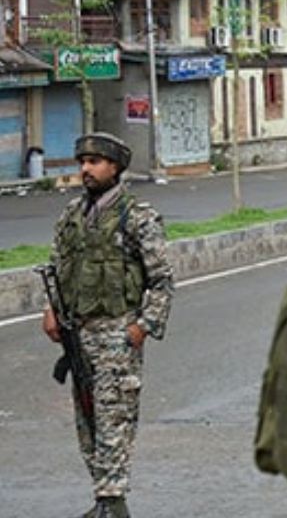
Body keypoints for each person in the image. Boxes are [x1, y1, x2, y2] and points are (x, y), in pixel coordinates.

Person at [42, 132, 174, 518]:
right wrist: (50, 311)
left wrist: (142, 327)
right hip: (77, 333)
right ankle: (103, 497)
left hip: (118, 331)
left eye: (94, 162)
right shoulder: (71, 216)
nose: (85, 169)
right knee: (88, 419)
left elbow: (163, 280)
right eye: (82, 161)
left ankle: (112, 502)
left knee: (114, 416)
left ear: (114, 167)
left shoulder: (138, 216)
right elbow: (55, 268)